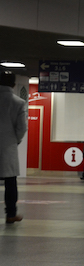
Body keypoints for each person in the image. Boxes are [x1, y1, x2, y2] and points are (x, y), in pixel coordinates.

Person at [0, 72, 27, 224]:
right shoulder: (18, 102)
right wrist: (14, 141)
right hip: (8, 147)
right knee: (10, 183)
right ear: (14, 85)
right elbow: (22, 128)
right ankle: (11, 214)